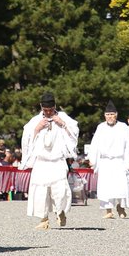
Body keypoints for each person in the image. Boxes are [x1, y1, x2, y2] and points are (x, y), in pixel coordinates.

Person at [21, 91, 79, 229]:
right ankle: (44, 219)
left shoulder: (63, 117)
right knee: (40, 191)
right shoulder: (35, 121)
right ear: (41, 107)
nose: (48, 112)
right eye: (45, 110)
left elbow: (74, 135)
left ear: (55, 107)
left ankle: (61, 212)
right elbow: (26, 139)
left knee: (60, 190)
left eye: (51, 110)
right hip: (41, 161)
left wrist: (63, 125)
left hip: (57, 161)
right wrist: (37, 129)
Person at [89, 101, 129, 219]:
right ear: (105, 115)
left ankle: (120, 207)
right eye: (107, 114)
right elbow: (95, 145)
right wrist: (92, 159)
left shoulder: (123, 127)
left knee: (120, 185)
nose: (110, 117)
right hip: (105, 161)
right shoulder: (101, 127)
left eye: (112, 114)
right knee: (106, 186)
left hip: (119, 161)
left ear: (116, 115)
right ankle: (108, 210)